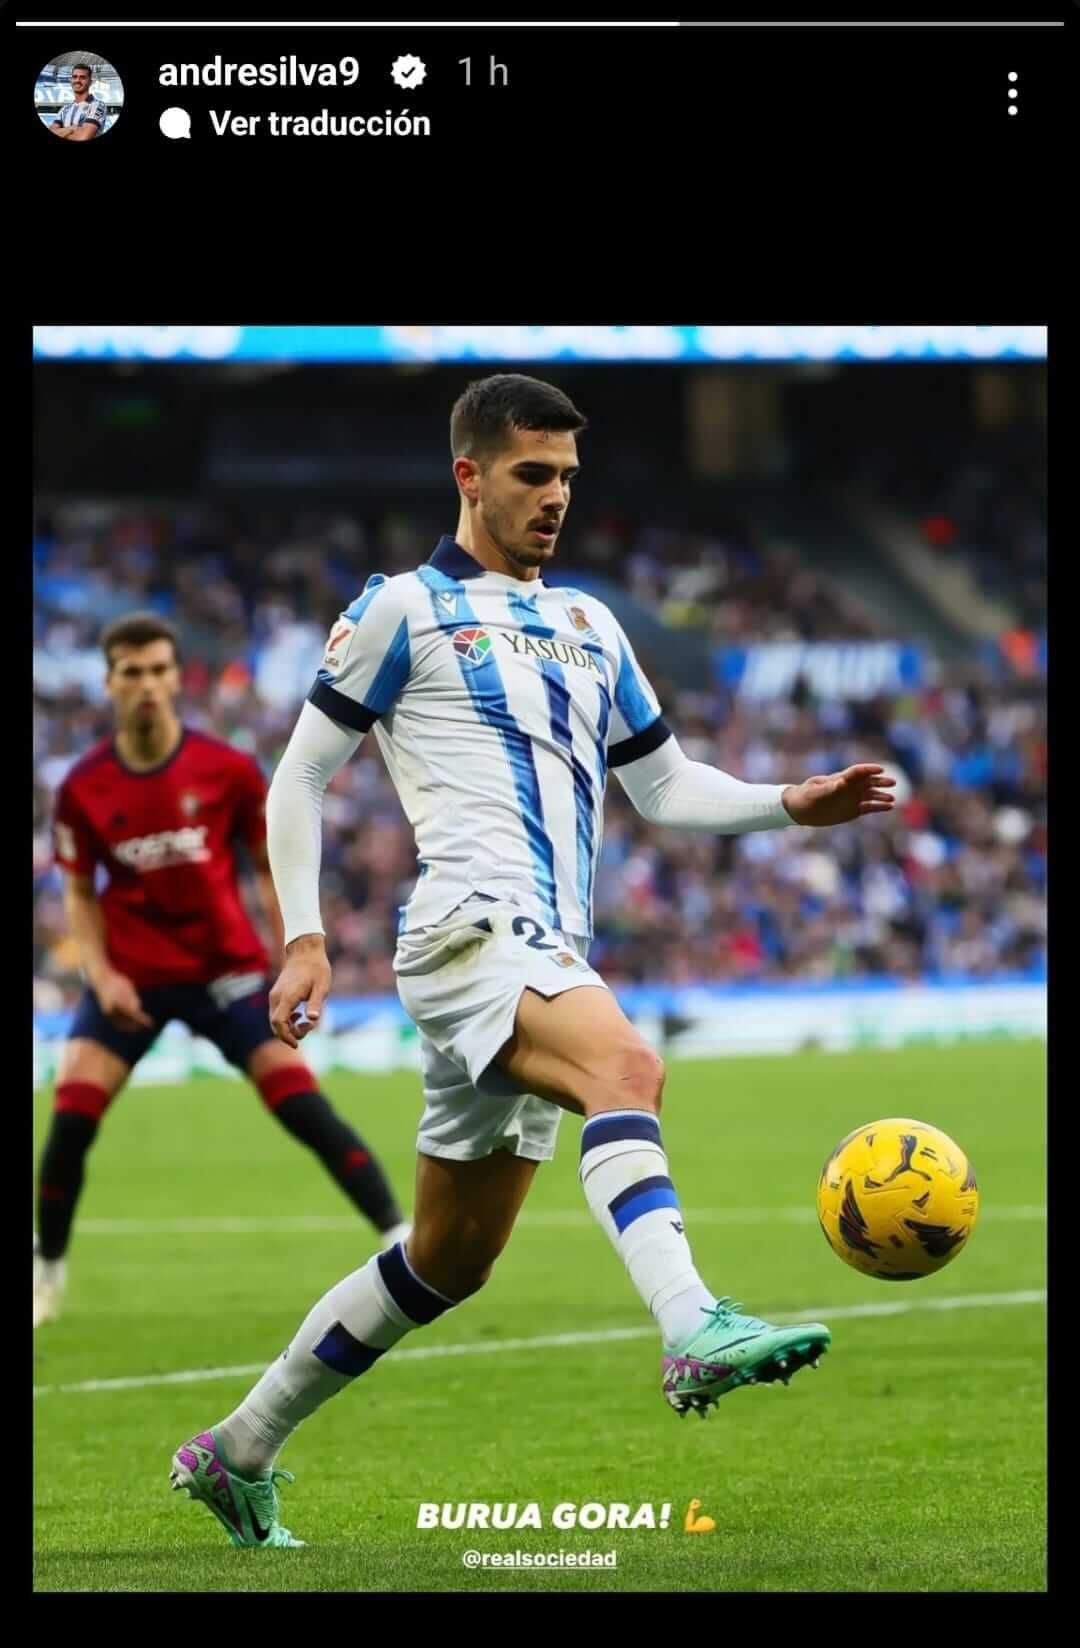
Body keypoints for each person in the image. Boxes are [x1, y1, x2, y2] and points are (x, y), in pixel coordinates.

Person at [171, 375, 895, 1549]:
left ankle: (237, 1447)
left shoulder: (592, 625)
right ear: (469, 475)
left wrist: (786, 804)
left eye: (565, 475)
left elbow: (660, 785)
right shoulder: (402, 608)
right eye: (530, 474)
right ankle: (692, 1322)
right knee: (627, 1068)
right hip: (465, 926)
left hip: (541, 943)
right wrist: (303, 935)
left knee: (450, 1257)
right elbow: (298, 774)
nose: (555, 496)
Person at [34, 613, 408, 1328]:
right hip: (133, 978)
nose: (146, 684)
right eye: (131, 672)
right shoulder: (83, 788)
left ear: (176, 677)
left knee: (304, 1107)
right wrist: (101, 976)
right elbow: (80, 893)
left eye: (157, 670)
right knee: (72, 1119)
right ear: (109, 682)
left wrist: (293, 952)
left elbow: (270, 869)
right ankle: (46, 1270)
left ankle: (400, 1237)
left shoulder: (226, 770)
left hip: (225, 973)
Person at [50, 64, 108, 140]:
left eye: (82, 77)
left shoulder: (98, 105)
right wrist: (72, 128)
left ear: (90, 82)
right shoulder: (65, 109)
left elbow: (83, 137)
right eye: (75, 77)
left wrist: (62, 132)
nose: (77, 80)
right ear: (71, 80)